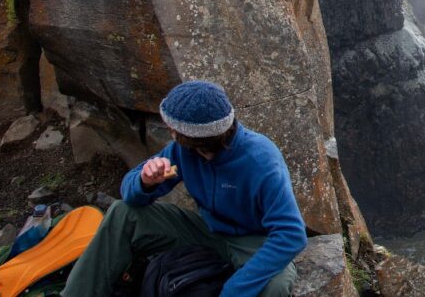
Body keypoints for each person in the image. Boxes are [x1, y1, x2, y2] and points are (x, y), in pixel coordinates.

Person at [61, 80, 308, 297]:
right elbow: (130, 194)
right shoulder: (183, 150)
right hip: (205, 230)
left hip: (252, 240)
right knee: (122, 212)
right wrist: (145, 182)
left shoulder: (260, 160)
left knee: (275, 286)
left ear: (195, 136)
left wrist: (234, 290)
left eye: (173, 127)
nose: (169, 130)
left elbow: (291, 234)